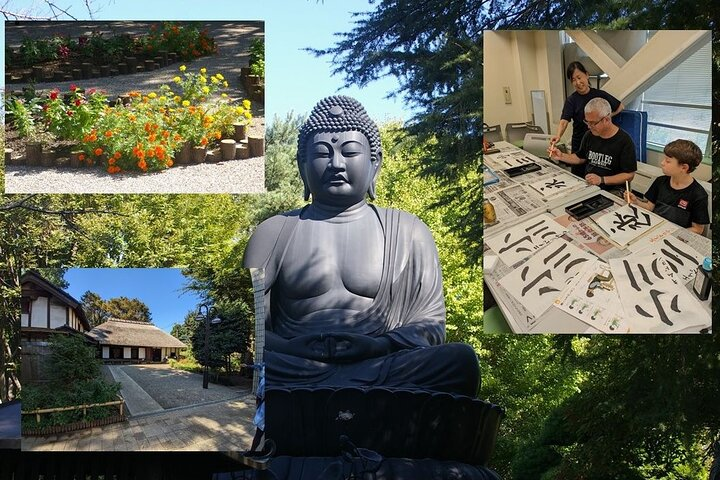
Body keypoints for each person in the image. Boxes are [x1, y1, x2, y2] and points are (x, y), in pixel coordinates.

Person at [243, 95, 479, 397]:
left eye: (350, 151)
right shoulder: (274, 231)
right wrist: (291, 347)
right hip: (297, 367)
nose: (336, 164)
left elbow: (431, 325)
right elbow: (251, 327)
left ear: (374, 164)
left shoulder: (408, 230)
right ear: (302, 166)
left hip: (382, 364)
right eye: (322, 153)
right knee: (262, 368)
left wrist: (381, 344)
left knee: (459, 362)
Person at [550, 61, 624, 178]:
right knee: (579, 175)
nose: (578, 82)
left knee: (596, 175)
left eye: (579, 77)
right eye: (573, 80)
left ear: (587, 75)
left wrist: (604, 119)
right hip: (580, 142)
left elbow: (620, 107)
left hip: (598, 143)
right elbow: (564, 121)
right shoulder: (572, 100)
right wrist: (558, 136)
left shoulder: (600, 94)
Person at [548, 97, 636, 194]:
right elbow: (580, 158)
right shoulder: (589, 135)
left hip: (614, 189)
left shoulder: (624, 140)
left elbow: (629, 175)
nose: (589, 126)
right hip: (591, 184)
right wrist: (561, 156)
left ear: (606, 119)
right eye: (587, 121)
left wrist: (602, 180)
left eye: (593, 123)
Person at [625, 139, 709, 235]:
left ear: (684, 167)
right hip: (654, 229)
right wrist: (636, 202)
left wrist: (671, 233)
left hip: (676, 236)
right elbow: (649, 207)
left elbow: (698, 229)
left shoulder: (698, 195)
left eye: (668, 161)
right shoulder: (660, 181)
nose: (662, 163)